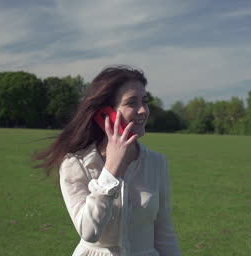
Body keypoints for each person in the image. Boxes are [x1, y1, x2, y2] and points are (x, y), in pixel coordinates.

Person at [35, 65, 181, 256]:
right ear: (105, 114)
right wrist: (111, 170)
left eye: (144, 101)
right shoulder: (75, 163)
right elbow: (89, 232)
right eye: (132, 103)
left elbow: (164, 233)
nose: (143, 110)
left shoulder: (156, 162)